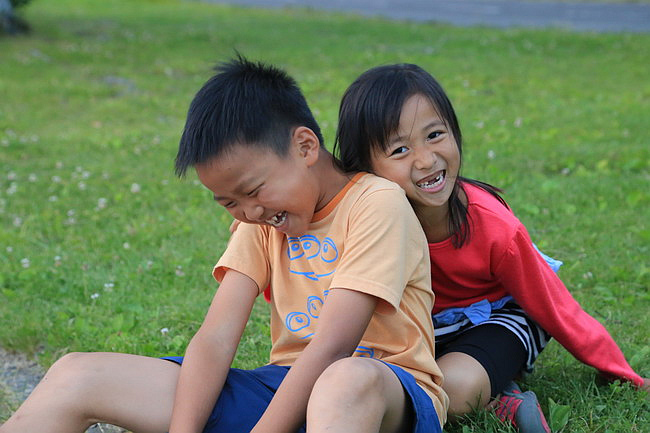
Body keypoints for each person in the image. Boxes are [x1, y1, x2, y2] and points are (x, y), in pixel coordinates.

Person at [0, 57, 448, 433]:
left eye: (253, 190)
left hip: (387, 392)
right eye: (229, 202)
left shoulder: (377, 203)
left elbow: (333, 346)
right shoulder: (262, 220)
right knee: (77, 373)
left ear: (305, 146)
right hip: (284, 389)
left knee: (344, 380)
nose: (249, 211)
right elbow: (214, 339)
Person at [333, 63, 649, 432]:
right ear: (365, 167)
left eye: (435, 134)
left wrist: (619, 370)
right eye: (400, 149)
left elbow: (553, 303)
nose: (426, 160)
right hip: (425, 328)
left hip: (501, 317)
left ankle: (501, 400)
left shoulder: (492, 225)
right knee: (366, 380)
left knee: (454, 389)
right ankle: (490, 385)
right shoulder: (365, 221)